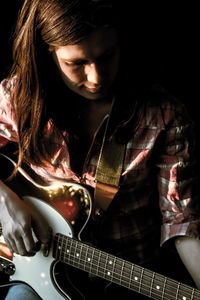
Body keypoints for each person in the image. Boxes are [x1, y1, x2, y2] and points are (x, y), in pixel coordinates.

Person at [0, 0, 200, 299]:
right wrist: (5, 204)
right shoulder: (20, 98)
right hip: (36, 274)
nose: (96, 78)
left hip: (124, 281)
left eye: (107, 56)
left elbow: (181, 221)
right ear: (48, 54)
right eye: (76, 63)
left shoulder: (161, 114)